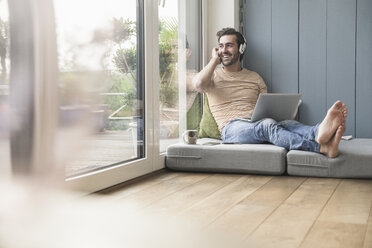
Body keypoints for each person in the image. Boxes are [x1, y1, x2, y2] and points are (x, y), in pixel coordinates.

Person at [192, 27, 347, 158]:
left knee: (289, 124)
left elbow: (265, 106)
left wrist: (285, 112)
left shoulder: (255, 78)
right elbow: (199, 85)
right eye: (221, 46)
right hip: (231, 128)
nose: (223, 50)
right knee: (268, 126)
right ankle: (320, 148)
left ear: (240, 49)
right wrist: (214, 60)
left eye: (229, 45)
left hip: (256, 121)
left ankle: (319, 130)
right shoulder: (212, 75)